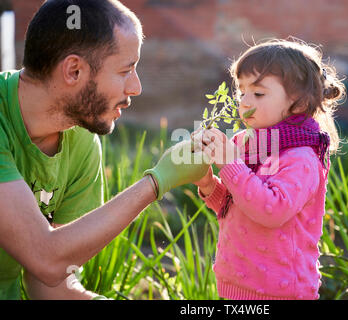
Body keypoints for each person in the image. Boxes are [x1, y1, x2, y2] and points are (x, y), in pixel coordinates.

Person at [0, 0, 208, 300]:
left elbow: (51, 286)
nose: (136, 87)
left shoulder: (79, 140)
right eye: (126, 70)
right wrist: (156, 182)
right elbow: (45, 257)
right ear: (74, 71)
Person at [192, 38, 345, 300]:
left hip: (281, 291)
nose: (244, 102)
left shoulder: (302, 158)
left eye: (259, 93)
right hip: (237, 287)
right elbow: (235, 206)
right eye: (242, 92)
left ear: (297, 102)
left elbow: (271, 210)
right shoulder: (244, 143)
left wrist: (230, 164)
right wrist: (208, 183)